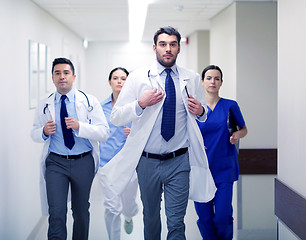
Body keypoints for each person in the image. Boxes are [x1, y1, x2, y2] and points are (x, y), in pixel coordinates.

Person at [99, 26, 216, 240]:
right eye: (163, 44)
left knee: (176, 223)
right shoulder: (137, 78)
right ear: (155, 48)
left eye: (172, 44)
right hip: (147, 162)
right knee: (151, 218)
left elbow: (204, 113)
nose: (168, 49)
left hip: (179, 161)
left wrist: (200, 111)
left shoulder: (191, 78)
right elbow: (116, 116)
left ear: (179, 48)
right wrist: (140, 104)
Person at [30, 57, 109, 240]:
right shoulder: (44, 104)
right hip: (56, 163)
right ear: (52, 78)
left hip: (83, 162)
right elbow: (33, 133)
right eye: (57, 73)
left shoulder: (89, 101)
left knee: (80, 211)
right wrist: (43, 131)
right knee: (56, 212)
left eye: (66, 73)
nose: (62, 77)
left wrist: (80, 127)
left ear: (74, 76)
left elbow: (104, 132)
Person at [194, 65, 248, 240]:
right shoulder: (194, 107)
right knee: (205, 218)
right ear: (202, 82)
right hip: (201, 169)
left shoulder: (230, 106)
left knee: (223, 217)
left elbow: (244, 129)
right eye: (209, 78)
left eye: (217, 78)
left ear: (221, 82)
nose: (213, 82)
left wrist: (236, 135)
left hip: (224, 168)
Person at [99, 67, 139, 240]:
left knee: (128, 205)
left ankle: (129, 216)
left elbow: (146, 131)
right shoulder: (101, 108)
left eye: (123, 78)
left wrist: (134, 132)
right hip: (107, 163)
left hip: (130, 162)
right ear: (110, 82)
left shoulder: (136, 106)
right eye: (115, 78)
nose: (119, 81)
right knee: (112, 207)